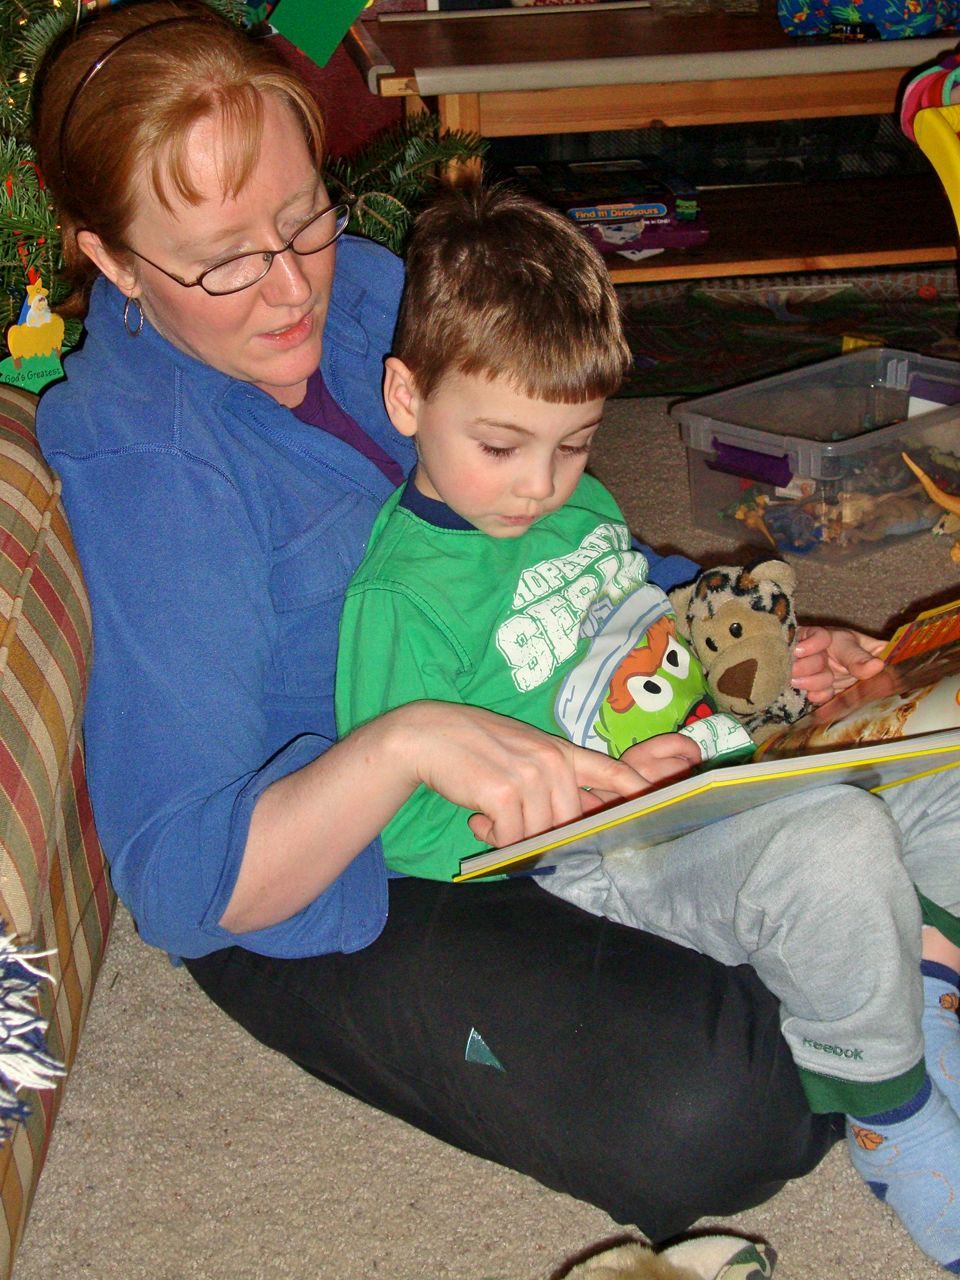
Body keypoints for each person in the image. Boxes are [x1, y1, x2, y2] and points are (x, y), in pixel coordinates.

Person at [29, 0, 893, 1255]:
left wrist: (705, 635)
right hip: (348, 867)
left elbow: (538, 517)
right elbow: (185, 882)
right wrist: (408, 742)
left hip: (559, 699)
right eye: (223, 260)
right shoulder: (151, 459)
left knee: (872, 791)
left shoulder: (374, 286)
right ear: (110, 260)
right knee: (711, 1108)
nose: (290, 289)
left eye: (303, 217)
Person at [334, 181, 960, 1274]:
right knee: (833, 850)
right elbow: (403, 837)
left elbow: (643, 609)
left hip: (720, 755)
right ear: (404, 395)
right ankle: (890, 1110)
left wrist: (769, 655)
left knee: (928, 758)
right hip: (612, 848)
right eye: (502, 445)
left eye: (574, 445)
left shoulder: (578, 505)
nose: (541, 485)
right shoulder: (404, 599)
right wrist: (581, 789)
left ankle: (932, 973)